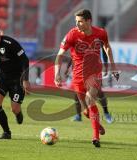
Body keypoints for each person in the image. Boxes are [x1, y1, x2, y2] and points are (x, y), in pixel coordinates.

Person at [54, 9, 119, 147]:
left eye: (80, 21)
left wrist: (113, 66)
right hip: (77, 76)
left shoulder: (100, 33)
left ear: (89, 21)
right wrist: (57, 74)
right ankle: (98, 125)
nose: (77, 24)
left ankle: (95, 138)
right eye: (76, 21)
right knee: (85, 111)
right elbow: (60, 55)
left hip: (94, 73)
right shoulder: (72, 35)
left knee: (91, 100)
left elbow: (107, 46)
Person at [65, 58, 113, 124]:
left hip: (93, 69)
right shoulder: (77, 49)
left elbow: (104, 51)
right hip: (78, 70)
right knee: (77, 93)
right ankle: (78, 115)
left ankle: (106, 114)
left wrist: (105, 66)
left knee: (99, 92)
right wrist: (68, 67)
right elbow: (72, 55)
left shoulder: (93, 48)